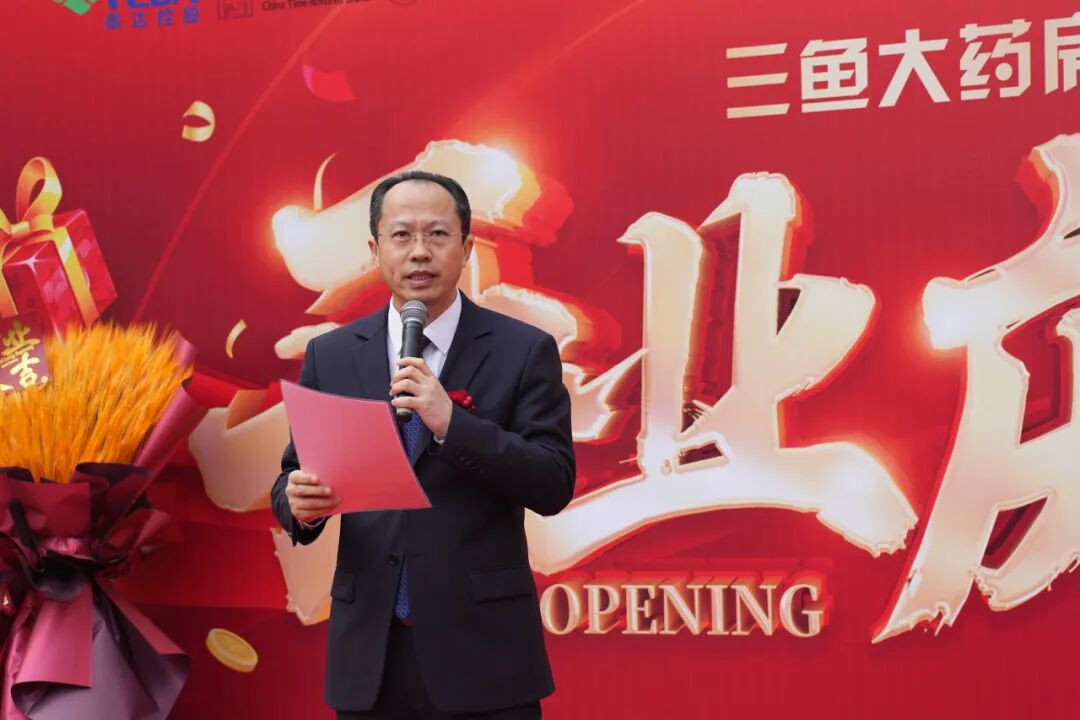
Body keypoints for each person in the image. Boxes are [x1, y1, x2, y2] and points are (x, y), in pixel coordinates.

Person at [271, 170, 575, 719]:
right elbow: (295, 474)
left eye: (436, 234)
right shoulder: (332, 355)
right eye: (401, 235)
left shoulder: (522, 350)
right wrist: (298, 504)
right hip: (372, 656)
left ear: (466, 248)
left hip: (484, 654)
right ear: (375, 251)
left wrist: (453, 424)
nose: (419, 252)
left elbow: (552, 481)